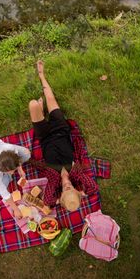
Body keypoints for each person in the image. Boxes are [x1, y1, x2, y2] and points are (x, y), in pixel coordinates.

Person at [29, 60, 99, 211]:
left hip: (45, 136)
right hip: (61, 128)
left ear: (61, 194)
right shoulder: (76, 173)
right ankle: (42, 75)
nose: (68, 185)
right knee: (51, 100)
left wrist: (58, 201)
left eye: (66, 189)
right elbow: (93, 187)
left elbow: (47, 201)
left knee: (33, 104)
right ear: (75, 188)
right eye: (71, 188)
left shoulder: (53, 181)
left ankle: (40, 109)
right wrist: (82, 192)